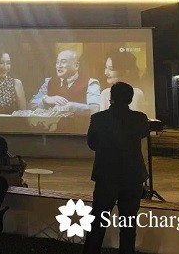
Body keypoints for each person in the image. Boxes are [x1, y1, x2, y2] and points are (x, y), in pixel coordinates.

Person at [82, 82, 149, 254]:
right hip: (132, 178)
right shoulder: (140, 118)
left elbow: (92, 144)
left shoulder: (98, 118)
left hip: (106, 177)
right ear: (130, 99)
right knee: (128, 225)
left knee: (98, 223)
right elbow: (144, 133)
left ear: (110, 98)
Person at [29, 49, 101, 115]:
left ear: (76, 65)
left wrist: (72, 106)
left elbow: (95, 109)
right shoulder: (49, 82)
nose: (59, 66)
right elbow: (31, 105)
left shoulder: (90, 83)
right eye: (57, 62)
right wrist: (46, 99)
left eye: (63, 62)